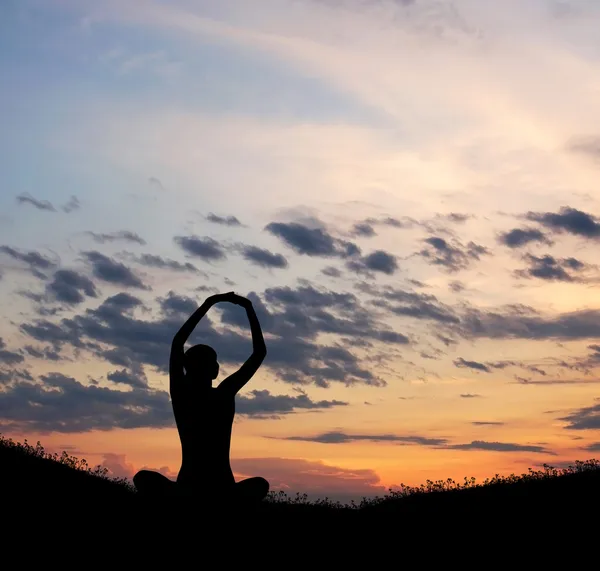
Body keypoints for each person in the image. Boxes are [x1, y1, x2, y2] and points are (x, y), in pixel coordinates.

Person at [133, 291, 269, 507]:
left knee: (143, 479)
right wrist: (247, 308)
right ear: (215, 371)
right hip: (216, 490)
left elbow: (177, 344)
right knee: (259, 485)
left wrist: (210, 303)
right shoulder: (220, 393)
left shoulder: (185, 394)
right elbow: (259, 353)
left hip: (196, 489)